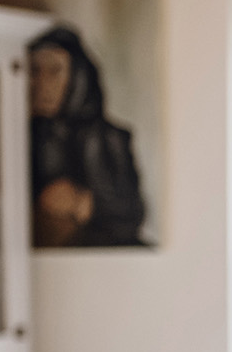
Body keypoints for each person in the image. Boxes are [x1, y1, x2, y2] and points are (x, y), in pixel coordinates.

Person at [27, 25, 146, 247]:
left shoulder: (110, 137)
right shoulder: (22, 136)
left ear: (77, 77)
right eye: (34, 70)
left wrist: (82, 202)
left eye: (54, 71)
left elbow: (132, 212)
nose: (42, 83)